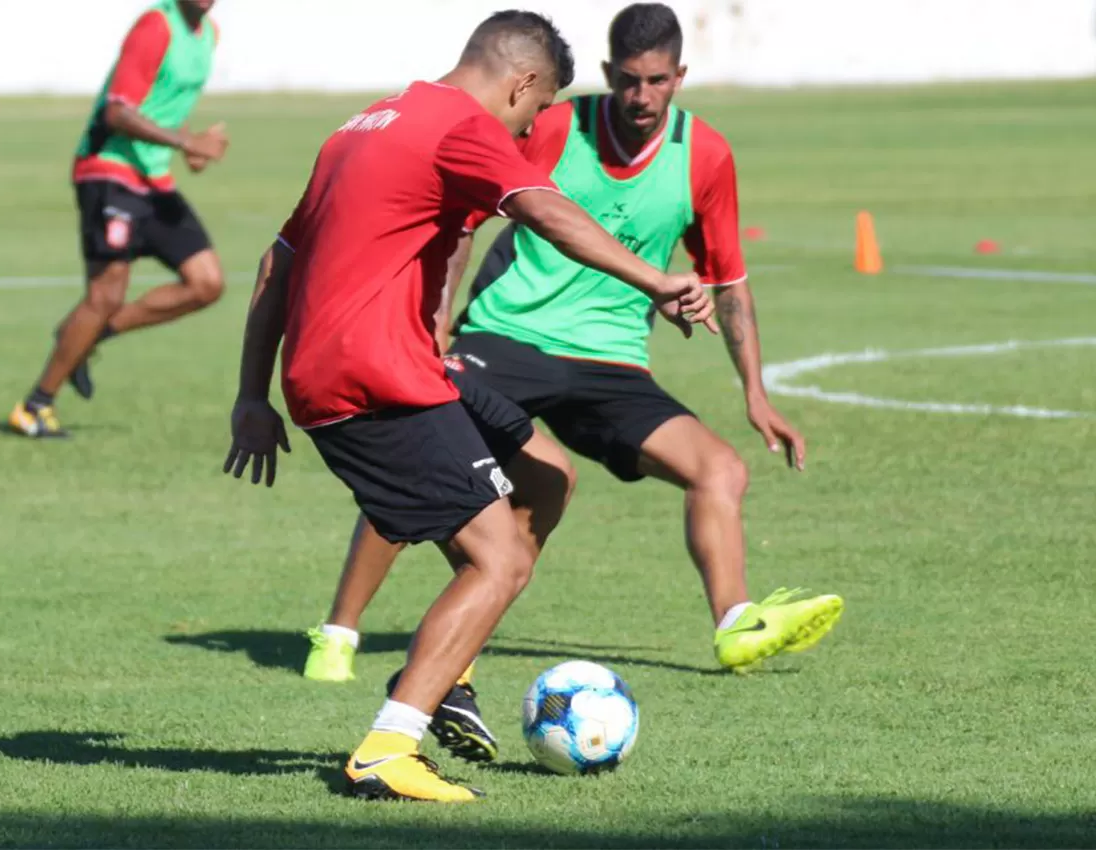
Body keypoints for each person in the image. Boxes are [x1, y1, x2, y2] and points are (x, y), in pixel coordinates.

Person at [224, 10, 715, 802]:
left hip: (404, 366)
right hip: (370, 380)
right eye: (535, 109)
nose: (527, 129)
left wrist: (252, 393)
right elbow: (545, 211)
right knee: (502, 558)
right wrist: (656, 280)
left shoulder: (363, 125)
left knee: (548, 477)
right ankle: (388, 747)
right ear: (521, 82)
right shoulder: (461, 124)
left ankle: (449, 666)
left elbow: (276, 261)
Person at [302, 2, 843, 712]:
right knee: (420, 454)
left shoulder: (705, 155)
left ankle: (735, 624)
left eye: (656, 81)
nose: (640, 97)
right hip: (508, 336)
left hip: (611, 362)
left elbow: (728, 278)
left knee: (719, 469)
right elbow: (458, 217)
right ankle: (340, 629)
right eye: (627, 80)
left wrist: (755, 392)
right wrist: (433, 325)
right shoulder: (553, 124)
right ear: (606, 73)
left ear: (680, 75)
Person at [9, 0, 231, 438]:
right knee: (106, 293)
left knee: (206, 283)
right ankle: (34, 407)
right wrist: (186, 142)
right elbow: (118, 112)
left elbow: (167, 104)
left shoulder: (209, 36)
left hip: (153, 177)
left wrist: (193, 147)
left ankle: (85, 337)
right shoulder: (155, 26)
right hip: (108, 170)